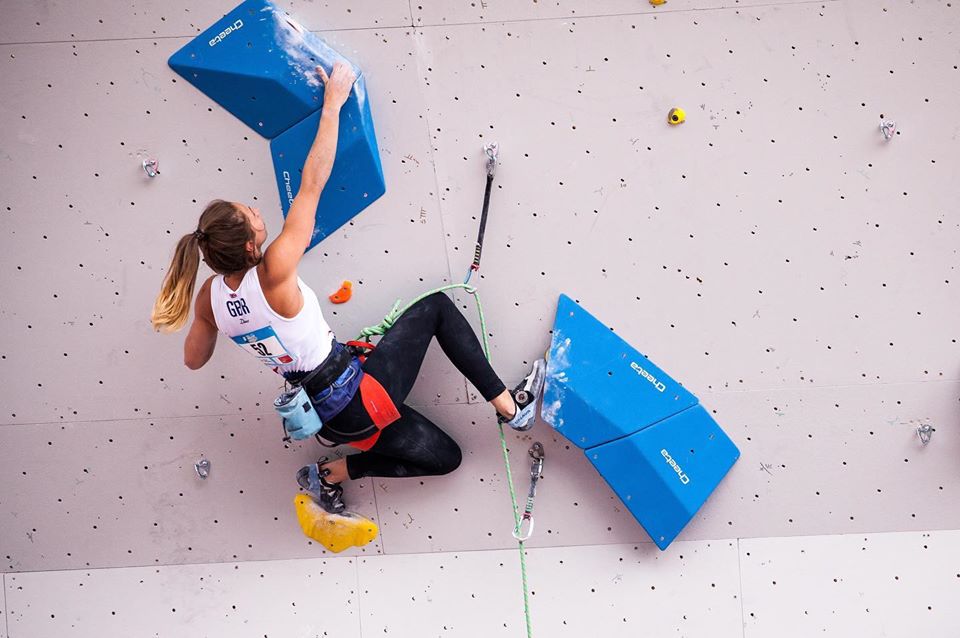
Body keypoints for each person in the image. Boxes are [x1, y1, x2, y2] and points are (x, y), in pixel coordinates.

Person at [151, 61, 546, 515]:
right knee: (436, 307)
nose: (259, 211)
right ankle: (510, 407)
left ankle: (333, 473)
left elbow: (193, 360)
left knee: (447, 458)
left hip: (333, 421)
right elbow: (312, 184)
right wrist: (333, 104)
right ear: (248, 242)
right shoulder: (274, 270)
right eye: (252, 213)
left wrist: (215, 321)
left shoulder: (211, 300)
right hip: (357, 397)